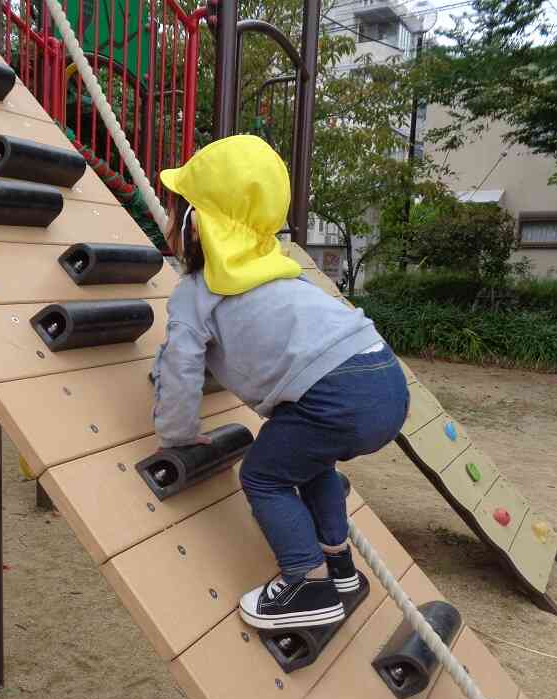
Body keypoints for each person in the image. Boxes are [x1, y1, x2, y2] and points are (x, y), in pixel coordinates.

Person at [150, 135, 409, 631]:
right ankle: (339, 567)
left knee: (263, 475)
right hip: (384, 377)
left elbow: (182, 370)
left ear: (195, 225)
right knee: (310, 465)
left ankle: (306, 583)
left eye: (173, 213)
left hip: (337, 393)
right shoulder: (282, 273)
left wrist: (178, 436)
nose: (167, 223)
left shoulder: (195, 293)